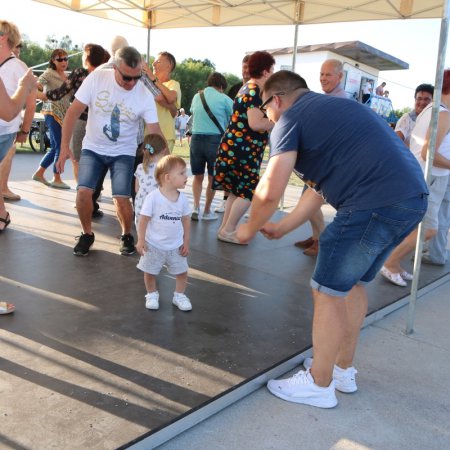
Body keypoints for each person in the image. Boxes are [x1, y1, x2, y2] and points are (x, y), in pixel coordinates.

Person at [236, 70, 427, 408]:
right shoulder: (335, 110)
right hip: (410, 198)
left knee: (326, 291)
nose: (267, 116)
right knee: (350, 286)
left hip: (372, 202)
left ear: (276, 100)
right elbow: (317, 188)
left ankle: (318, 383)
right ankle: (341, 370)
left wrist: (247, 228)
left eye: (266, 109)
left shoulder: (290, 118)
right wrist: (283, 227)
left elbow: (269, 190)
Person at [56, 46, 164, 257]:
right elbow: (72, 113)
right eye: (126, 77)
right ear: (114, 67)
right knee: (83, 193)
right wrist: (63, 149)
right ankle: (87, 234)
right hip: (93, 148)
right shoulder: (96, 78)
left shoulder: (143, 93)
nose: (132, 83)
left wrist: (165, 164)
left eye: (137, 77)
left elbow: (155, 133)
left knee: (122, 197)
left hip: (124, 151)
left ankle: (126, 235)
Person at [381, 71, 450, 286]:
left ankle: (395, 263)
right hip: (430, 178)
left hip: (424, 177)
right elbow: (429, 153)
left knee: (417, 227)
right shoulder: (443, 113)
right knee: (428, 229)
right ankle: (390, 262)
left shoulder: (432, 109)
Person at [213, 51, 275, 244]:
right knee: (248, 193)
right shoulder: (255, 91)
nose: (273, 74)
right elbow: (255, 123)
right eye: (272, 70)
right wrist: (275, 121)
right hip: (244, 150)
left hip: (234, 148)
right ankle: (228, 229)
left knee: (235, 191)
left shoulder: (245, 88)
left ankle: (225, 229)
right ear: (265, 71)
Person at [0, 21, 37, 315]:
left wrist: (23, 128)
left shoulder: (14, 65)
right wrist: (26, 85)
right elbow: (11, 108)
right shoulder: (18, 72)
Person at [294, 59, 346, 257]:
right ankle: (317, 236)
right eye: (321, 74)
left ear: (340, 77)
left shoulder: (338, 101)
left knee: (308, 203)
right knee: (307, 202)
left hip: (327, 163)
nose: (323, 78)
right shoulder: (329, 98)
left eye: (328, 75)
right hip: (319, 162)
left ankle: (321, 239)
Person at [136, 154, 192, 312]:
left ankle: (179, 295)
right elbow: (143, 220)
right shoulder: (153, 198)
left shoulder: (182, 199)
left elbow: (186, 221)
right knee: (150, 272)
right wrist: (141, 240)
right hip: (153, 245)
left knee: (182, 272)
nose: (186, 176)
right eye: (181, 173)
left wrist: (186, 242)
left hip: (176, 246)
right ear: (167, 178)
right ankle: (151, 294)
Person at [1, 20, 36, 234]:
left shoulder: (18, 67)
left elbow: (29, 104)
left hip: (5, 131)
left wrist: (24, 130)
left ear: (3, 38)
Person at [190, 72, 233, 222]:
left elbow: (193, 113)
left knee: (197, 176)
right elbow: (234, 117)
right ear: (221, 86)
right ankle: (207, 211)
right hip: (214, 140)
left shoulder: (197, 97)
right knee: (212, 177)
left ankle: (195, 207)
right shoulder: (224, 98)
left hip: (195, 138)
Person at [214, 54, 251, 214]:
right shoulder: (236, 88)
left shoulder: (260, 90)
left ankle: (238, 209)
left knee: (243, 181)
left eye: (249, 67)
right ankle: (225, 202)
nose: (246, 71)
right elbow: (229, 113)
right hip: (231, 138)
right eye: (244, 67)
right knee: (229, 175)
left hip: (249, 141)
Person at [32, 48, 72, 189]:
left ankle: (40, 173)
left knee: (57, 146)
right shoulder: (49, 73)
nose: (63, 62)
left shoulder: (67, 77)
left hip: (64, 115)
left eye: (65, 59)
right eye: (60, 59)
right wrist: (40, 95)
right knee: (60, 146)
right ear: (53, 61)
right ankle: (56, 177)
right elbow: (35, 85)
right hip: (52, 112)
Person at [1, 41, 27, 201]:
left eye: (19, 47)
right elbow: (30, 99)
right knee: (7, 155)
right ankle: (3, 188)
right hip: (7, 126)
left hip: (8, 124)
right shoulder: (18, 66)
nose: (18, 49)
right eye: (16, 46)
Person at [142, 51, 180, 152]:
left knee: (160, 167)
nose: (153, 64)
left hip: (165, 136)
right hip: (147, 135)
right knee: (146, 167)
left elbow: (171, 97)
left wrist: (152, 76)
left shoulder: (173, 84)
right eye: (154, 62)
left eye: (158, 61)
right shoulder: (147, 83)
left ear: (169, 66)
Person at [134, 133, 167, 225]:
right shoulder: (164, 168)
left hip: (140, 206)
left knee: (142, 234)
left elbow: (137, 189)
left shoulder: (140, 167)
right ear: (164, 150)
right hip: (157, 208)